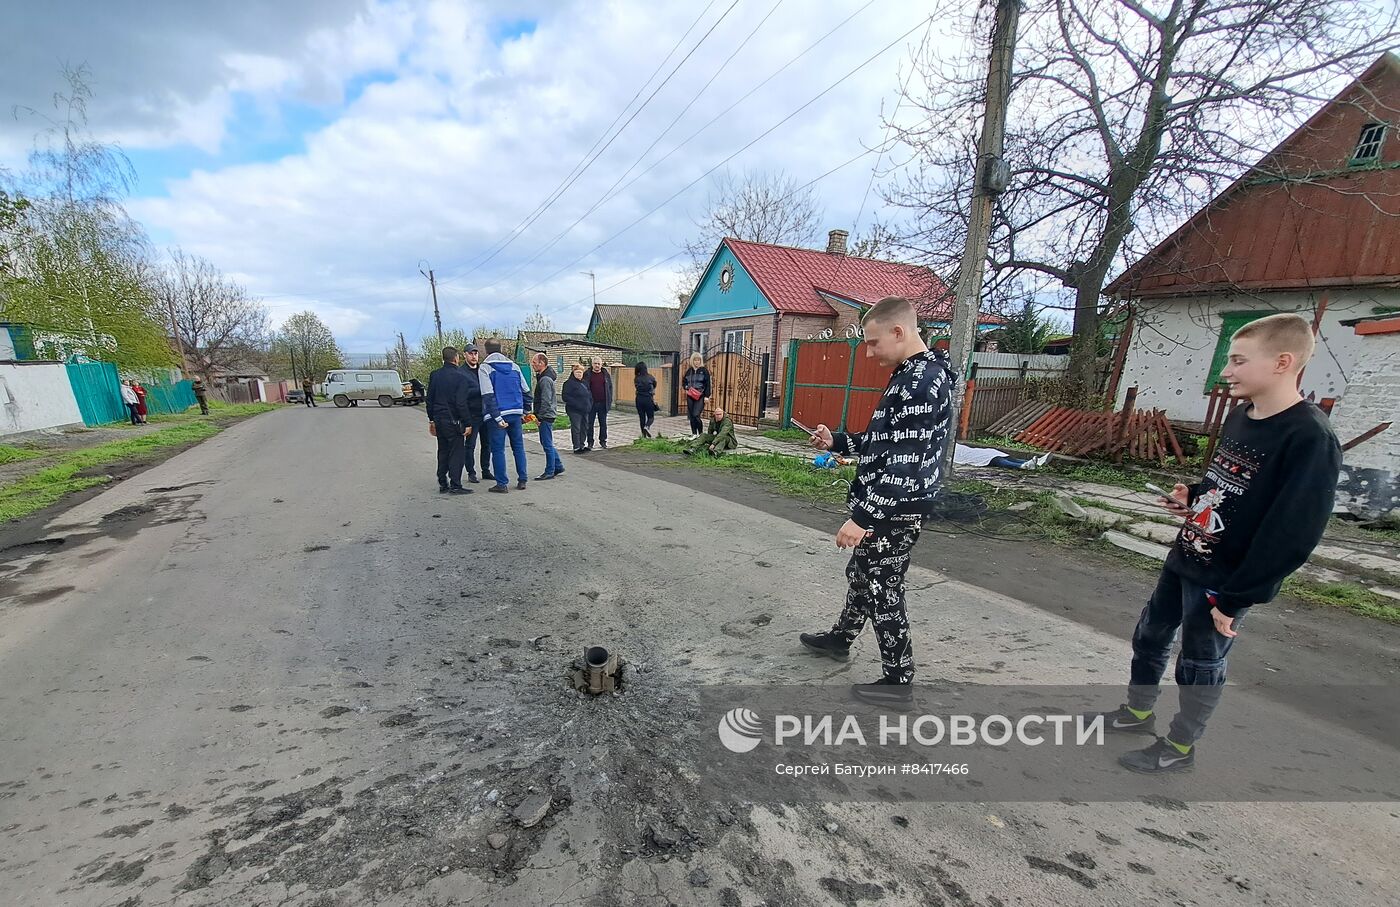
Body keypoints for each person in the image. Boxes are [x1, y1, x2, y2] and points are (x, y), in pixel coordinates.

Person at [1091, 313, 1341, 773]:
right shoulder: (1241, 415)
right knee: (1149, 636)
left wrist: (1238, 597)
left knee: (1199, 663)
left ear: (1283, 362)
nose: (1227, 371)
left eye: (1239, 360)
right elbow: (1226, 481)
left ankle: (1180, 747)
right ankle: (1137, 713)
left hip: (1226, 578)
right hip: (1187, 555)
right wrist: (1194, 494)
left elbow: (1294, 531)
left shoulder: (1309, 437)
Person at [799, 296, 954, 708]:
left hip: (894, 508)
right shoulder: (914, 374)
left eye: (872, 342)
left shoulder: (920, 382)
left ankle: (898, 680)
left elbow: (906, 463)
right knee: (863, 576)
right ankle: (841, 638)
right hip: (889, 503)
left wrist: (863, 517)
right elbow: (886, 443)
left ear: (899, 332)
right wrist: (839, 441)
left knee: (883, 589)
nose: (868, 352)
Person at [479, 339, 532, 493]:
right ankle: (522, 479)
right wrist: (525, 411)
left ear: (486, 351)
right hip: (515, 412)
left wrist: (497, 417)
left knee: (498, 450)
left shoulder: (485, 368)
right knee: (518, 447)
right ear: (500, 349)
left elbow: (487, 395)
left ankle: (502, 483)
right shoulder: (514, 366)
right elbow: (526, 391)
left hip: (497, 415)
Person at [425, 346, 474, 495]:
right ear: (456, 358)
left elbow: (430, 399)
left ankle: (442, 482)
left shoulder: (435, 375)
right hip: (454, 421)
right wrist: (468, 423)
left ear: (443, 358)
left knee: (443, 451)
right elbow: (461, 403)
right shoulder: (461, 377)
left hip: (439, 419)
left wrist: (432, 419)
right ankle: (455, 484)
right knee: (456, 453)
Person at [458, 344, 489, 483]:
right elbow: (460, 395)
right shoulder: (461, 372)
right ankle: (471, 472)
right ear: (465, 355)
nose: (474, 356)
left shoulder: (482, 370)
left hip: (485, 413)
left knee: (487, 444)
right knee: (470, 445)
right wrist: (479, 390)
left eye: (475, 353)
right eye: (471, 353)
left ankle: (486, 470)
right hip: (471, 415)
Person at [531, 353, 565, 480]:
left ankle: (550, 470)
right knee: (547, 442)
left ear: (542, 363)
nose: (532, 364)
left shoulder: (545, 379)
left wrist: (539, 417)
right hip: (547, 414)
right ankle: (558, 465)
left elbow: (545, 400)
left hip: (546, 415)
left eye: (535, 362)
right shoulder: (543, 377)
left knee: (547, 444)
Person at [562, 363, 592, 454]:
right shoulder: (568, 383)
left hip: (585, 410)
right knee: (576, 428)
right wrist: (577, 404)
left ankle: (582, 445)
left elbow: (589, 395)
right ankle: (576, 447)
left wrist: (590, 404)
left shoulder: (584, 383)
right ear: (573, 372)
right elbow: (565, 397)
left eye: (581, 372)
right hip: (574, 410)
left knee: (584, 428)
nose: (579, 374)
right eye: (577, 372)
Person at [953, 443, 1050, 471]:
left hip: (967, 450)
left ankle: (1036, 462)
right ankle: (1022, 466)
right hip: (961, 455)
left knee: (995, 453)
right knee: (995, 459)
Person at [584, 356, 612, 450]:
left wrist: (609, 400)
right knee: (590, 424)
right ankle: (590, 442)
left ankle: (603, 441)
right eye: (595, 363)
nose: (597, 365)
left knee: (603, 424)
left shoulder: (605, 374)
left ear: (601, 364)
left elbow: (610, 388)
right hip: (591, 404)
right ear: (592, 364)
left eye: (599, 364)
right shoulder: (587, 374)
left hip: (603, 403)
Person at [682, 352, 711, 438]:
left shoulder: (704, 371)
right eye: (695, 360)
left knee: (696, 415)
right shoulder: (689, 371)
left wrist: (707, 396)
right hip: (690, 396)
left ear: (700, 361)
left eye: (698, 360)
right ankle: (694, 433)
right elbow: (684, 381)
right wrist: (686, 388)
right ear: (692, 361)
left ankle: (701, 434)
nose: (697, 362)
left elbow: (708, 384)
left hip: (700, 396)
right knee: (691, 416)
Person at [634, 362, 658, 438]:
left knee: (642, 418)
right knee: (651, 417)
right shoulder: (650, 377)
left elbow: (636, 387)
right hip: (648, 399)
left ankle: (644, 436)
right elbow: (654, 384)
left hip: (639, 399)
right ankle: (647, 426)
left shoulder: (636, 378)